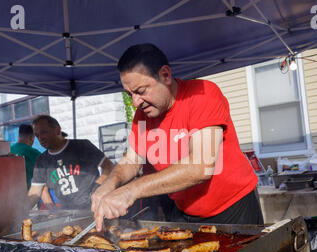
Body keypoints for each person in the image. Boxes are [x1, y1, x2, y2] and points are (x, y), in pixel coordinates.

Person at [91, 43, 263, 231]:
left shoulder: (203, 94)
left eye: (141, 91)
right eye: (129, 94)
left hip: (234, 209)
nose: (135, 102)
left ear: (165, 75)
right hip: (185, 214)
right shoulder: (143, 116)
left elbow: (201, 167)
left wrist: (131, 191)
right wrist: (110, 184)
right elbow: (131, 160)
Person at [26, 115, 114, 210]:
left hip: (94, 206)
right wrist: (20, 213)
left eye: (44, 132)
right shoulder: (41, 161)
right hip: (68, 213)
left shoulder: (82, 146)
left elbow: (109, 167)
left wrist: (98, 188)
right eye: (37, 135)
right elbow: (36, 190)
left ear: (57, 129)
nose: (40, 138)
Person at [10, 124, 42, 189]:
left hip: (10, 192)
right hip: (28, 193)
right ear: (32, 138)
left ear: (18, 136)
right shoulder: (35, 154)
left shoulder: (9, 150)